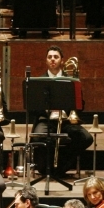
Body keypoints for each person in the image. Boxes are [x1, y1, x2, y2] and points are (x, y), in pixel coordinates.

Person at [31, 46, 93, 175]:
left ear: (62, 60)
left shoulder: (71, 81)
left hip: (66, 122)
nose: (52, 60)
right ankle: (45, 167)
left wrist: (70, 113)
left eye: (56, 57)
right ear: (46, 61)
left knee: (86, 138)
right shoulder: (39, 81)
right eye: (50, 57)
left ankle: (61, 166)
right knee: (38, 137)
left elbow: (80, 105)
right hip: (46, 120)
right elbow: (34, 107)